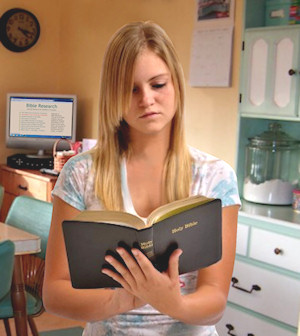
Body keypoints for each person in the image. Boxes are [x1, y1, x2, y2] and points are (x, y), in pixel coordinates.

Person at [43, 21, 241, 336]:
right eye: (131, 88)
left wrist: (172, 303)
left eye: (158, 84)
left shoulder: (217, 178)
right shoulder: (80, 174)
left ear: (176, 84)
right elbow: (54, 293)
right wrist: (123, 299)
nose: (146, 99)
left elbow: (215, 299)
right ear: (113, 95)